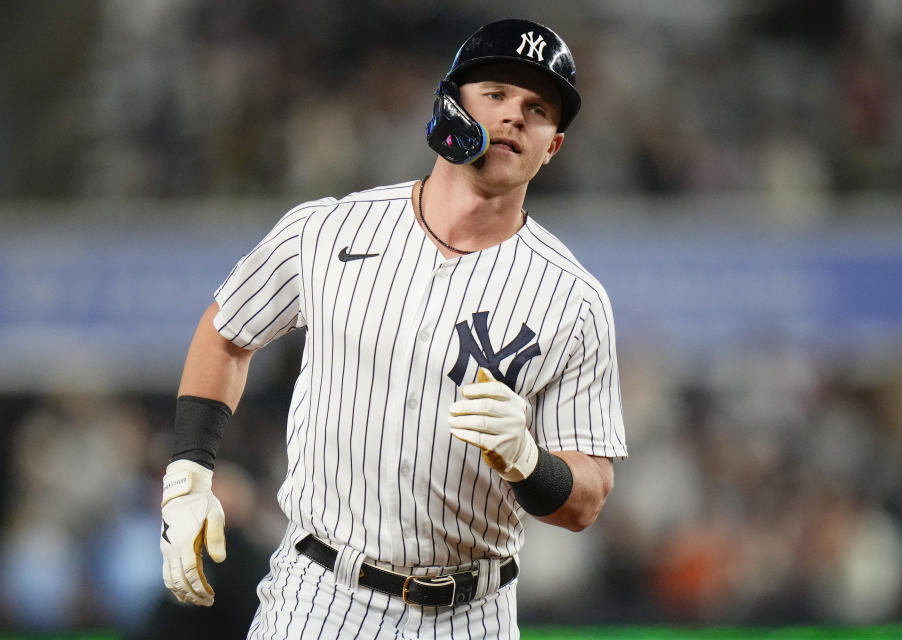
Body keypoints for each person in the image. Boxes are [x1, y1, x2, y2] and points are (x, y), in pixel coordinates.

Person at [160, 18, 627, 639]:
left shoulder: (575, 299)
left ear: (553, 146)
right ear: (449, 105)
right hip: (322, 595)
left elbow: (587, 498)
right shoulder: (329, 230)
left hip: (474, 612)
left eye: (538, 108)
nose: (516, 115)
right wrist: (188, 476)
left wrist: (529, 461)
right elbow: (226, 333)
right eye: (495, 94)